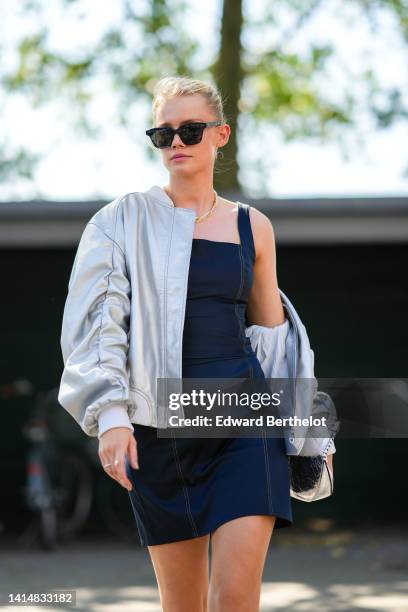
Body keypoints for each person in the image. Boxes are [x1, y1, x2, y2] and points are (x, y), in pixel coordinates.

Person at [65, 75, 299, 611]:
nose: (176, 143)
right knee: (183, 605)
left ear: (221, 135)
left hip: (245, 420)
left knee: (236, 597)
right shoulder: (119, 222)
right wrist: (111, 417)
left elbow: (273, 339)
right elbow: (99, 325)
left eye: (190, 130)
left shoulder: (252, 226)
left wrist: (309, 433)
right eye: (163, 133)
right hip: (161, 432)